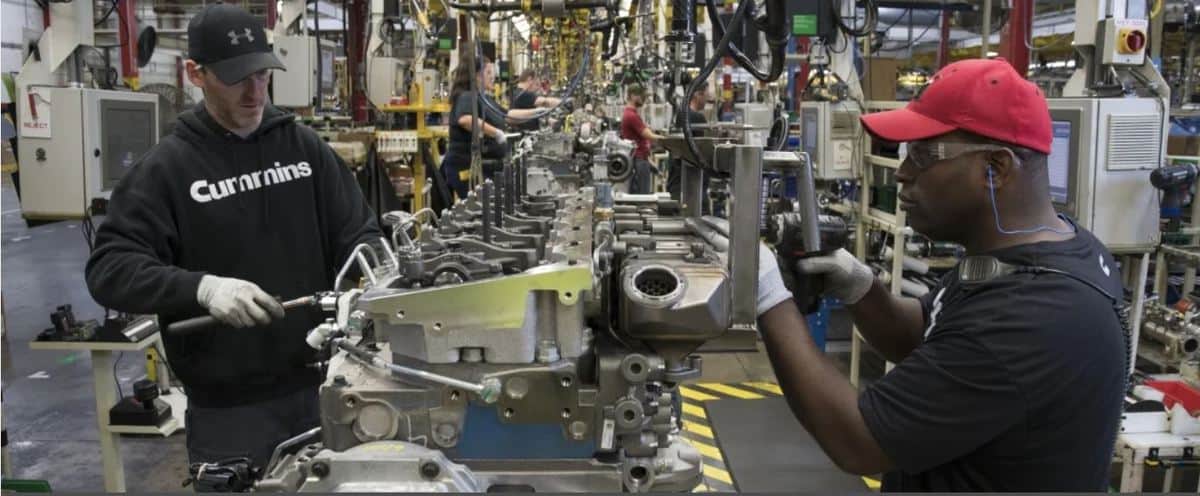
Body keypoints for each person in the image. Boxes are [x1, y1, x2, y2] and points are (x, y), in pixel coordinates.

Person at [748, 59, 1127, 490]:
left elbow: (856, 441)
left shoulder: (1036, 315)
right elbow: (919, 334)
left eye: (925, 155)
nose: (904, 172)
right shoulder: (1031, 252)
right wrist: (858, 285)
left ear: (996, 168)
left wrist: (767, 297)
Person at [83, 4, 382, 486]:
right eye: (237, 77)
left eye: (263, 73)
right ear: (195, 74)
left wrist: (366, 283)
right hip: (230, 412)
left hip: (325, 386)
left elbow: (361, 236)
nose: (254, 89)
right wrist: (202, 289)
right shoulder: (166, 170)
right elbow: (110, 269)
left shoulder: (304, 151)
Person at [439, 53, 548, 205]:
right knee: (479, 210)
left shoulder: (484, 98)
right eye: (488, 73)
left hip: (484, 169)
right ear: (477, 75)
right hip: (467, 169)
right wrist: (495, 132)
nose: (493, 77)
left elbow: (508, 115)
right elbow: (466, 120)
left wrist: (537, 112)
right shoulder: (467, 96)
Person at [666, 84, 708, 202]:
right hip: (691, 182)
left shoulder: (681, 113)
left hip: (677, 179)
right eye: (705, 95)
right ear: (697, 95)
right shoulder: (697, 117)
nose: (706, 99)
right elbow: (702, 150)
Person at [620, 85, 664, 194]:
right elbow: (648, 135)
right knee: (642, 195)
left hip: (640, 158)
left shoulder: (631, 113)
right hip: (638, 160)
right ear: (633, 96)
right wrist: (666, 140)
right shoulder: (631, 115)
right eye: (641, 95)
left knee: (641, 192)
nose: (644, 98)